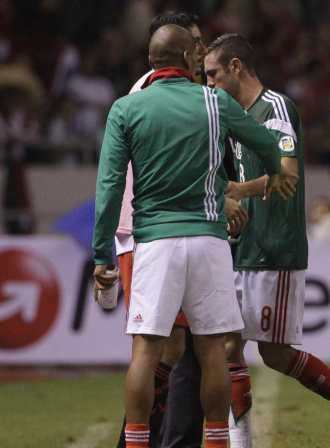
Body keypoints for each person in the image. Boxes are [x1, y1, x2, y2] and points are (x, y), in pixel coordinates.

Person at [92, 24, 297, 448]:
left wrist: (101, 255)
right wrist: (274, 173)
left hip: (155, 243)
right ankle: (218, 442)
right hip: (208, 241)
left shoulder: (125, 109)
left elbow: (110, 188)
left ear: (151, 63)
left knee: (147, 353)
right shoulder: (214, 100)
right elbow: (266, 143)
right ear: (188, 59)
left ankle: (133, 443)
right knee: (211, 351)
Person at [202, 33, 330, 448]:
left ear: (236, 66)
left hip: (276, 247)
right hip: (240, 247)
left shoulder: (275, 107)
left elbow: (287, 173)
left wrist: (236, 192)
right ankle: (242, 442)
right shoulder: (231, 116)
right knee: (229, 346)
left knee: (276, 354)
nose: (208, 83)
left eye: (213, 74)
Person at [110, 11, 221, 448]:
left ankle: (142, 439)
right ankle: (134, 440)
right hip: (149, 231)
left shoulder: (150, 92)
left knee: (171, 348)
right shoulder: (158, 93)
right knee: (161, 348)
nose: (201, 53)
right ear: (174, 48)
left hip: (154, 229)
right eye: (195, 44)